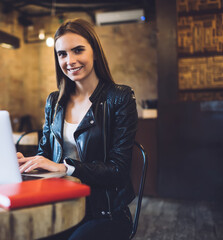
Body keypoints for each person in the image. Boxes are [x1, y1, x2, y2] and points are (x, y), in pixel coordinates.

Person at [18, 18, 138, 240]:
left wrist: (65, 168)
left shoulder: (119, 98)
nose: (69, 60)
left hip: (104, 211)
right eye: (62, 54)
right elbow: (45, 155)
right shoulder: (54, 101)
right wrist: (29, 162)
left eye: (78, 50)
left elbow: (118, 171)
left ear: (95, 51)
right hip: (59, 204)